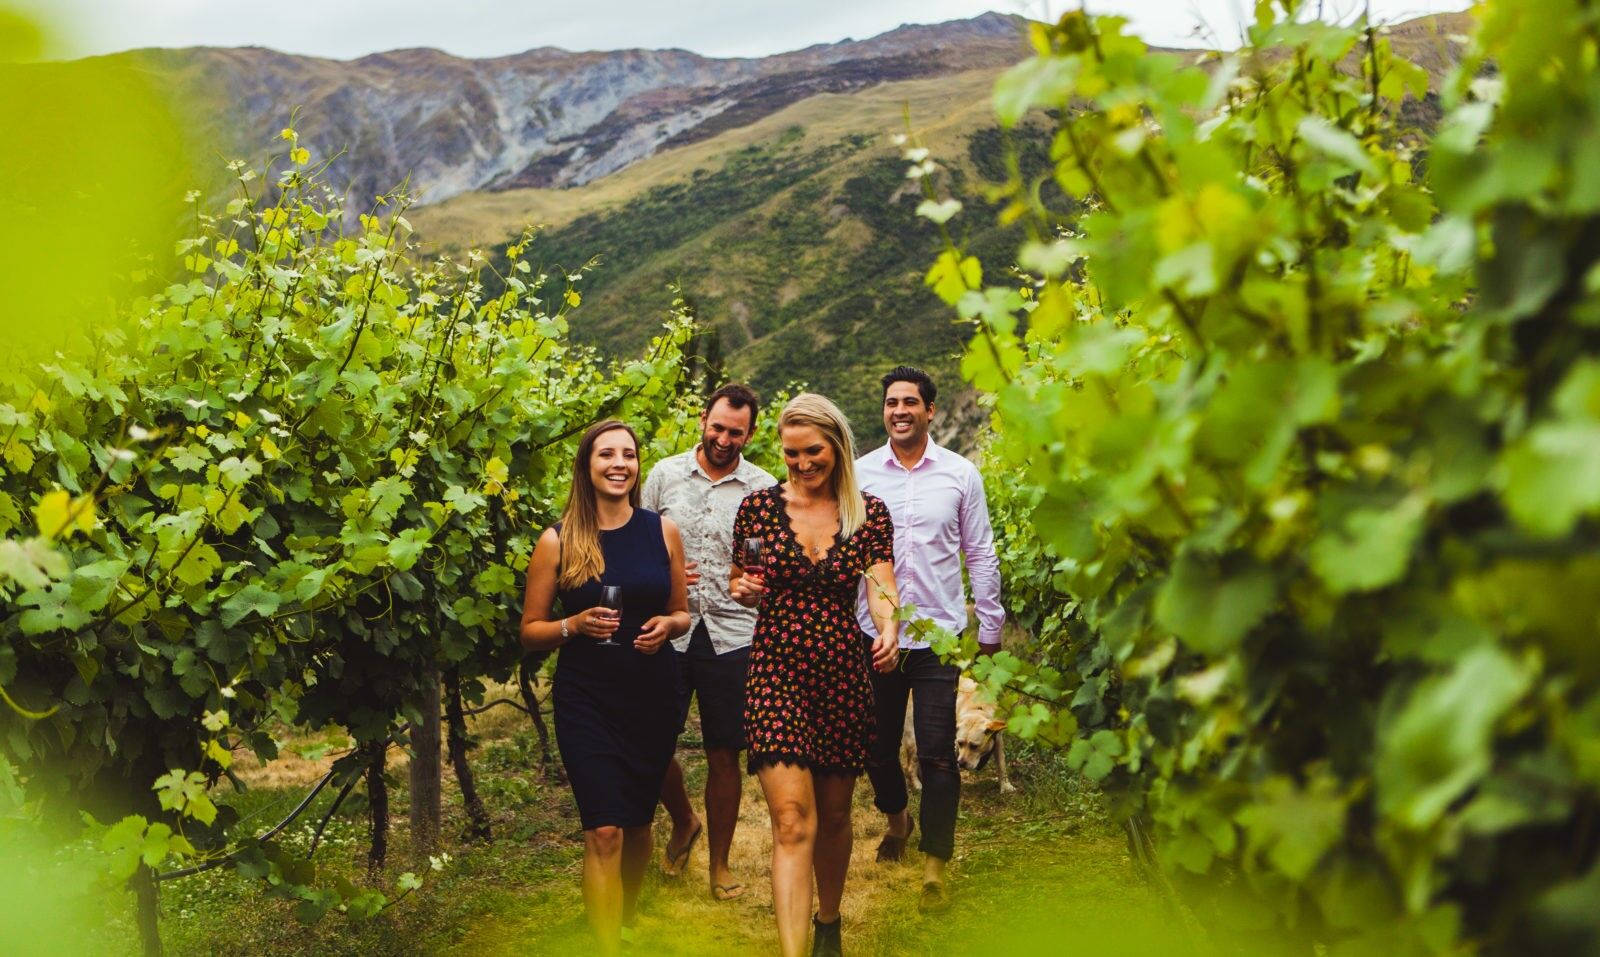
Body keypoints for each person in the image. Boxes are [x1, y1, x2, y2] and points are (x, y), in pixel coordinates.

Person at [730, 393, 900, 957]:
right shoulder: (757, 509)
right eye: (791, 453)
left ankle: (828, 922)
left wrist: (889, 628)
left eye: (813, 452)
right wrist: (742, 588)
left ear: (838, 447)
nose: (802, 463)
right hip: (775, 668)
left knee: (832, 816)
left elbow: (881, 584)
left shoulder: (868, 513)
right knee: (790, 820)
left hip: (840, 674)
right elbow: (741, 578)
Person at [520, 419, 692, 956]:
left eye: (628, 455)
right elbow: (530, 630)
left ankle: (626, 917)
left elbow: (682, 612)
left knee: (638, 825)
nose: (619, 464)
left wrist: (668, 627)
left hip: (652, 694)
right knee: (604, 830)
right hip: (587, 699)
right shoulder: (558, 539)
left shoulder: (662, 531)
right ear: (587, 466)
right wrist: (572, 625)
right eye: (607, 454)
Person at [856, 366, 1004, 914]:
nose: (899, 411)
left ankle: (934, 871)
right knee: (875, 748)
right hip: (875, 634)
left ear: (930, 411)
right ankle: (898, 820)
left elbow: (980, 551)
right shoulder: (861, 474)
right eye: (891, 402)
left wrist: (990, 627)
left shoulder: (961, 475)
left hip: (939, 636)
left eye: (910, 402)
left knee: (939, 755)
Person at [642, 383, 777, 901]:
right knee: (652, 742)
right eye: (717, 427)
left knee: (724, 753)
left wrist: (757, 585)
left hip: (734, 633)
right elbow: (637, 542)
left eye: (735, 432)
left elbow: (767, 567)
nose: (724, 439)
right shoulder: (664, 475)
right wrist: (664, 573)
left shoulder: (763, 488)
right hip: (670, 627)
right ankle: (684, 820)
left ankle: (719, 865)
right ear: (703, 419)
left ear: (751, 434)